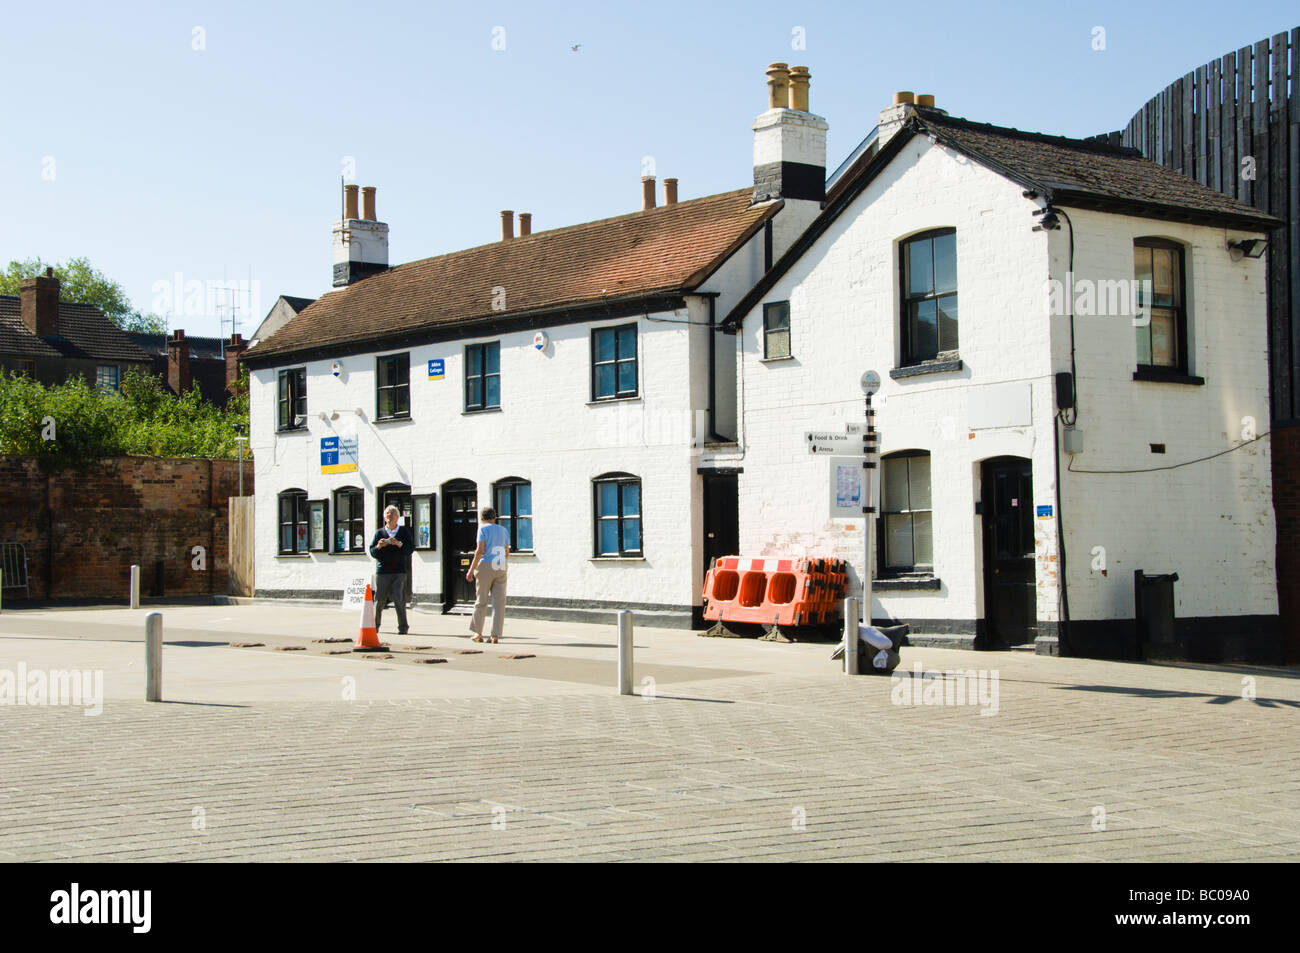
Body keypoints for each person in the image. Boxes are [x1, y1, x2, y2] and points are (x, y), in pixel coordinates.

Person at [466, 506, 510, 643]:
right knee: (499, 602)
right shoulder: (504, 530)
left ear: (482, 518)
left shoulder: (482, 529)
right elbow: (507, 551)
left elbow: (480, 551)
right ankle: (495, 635)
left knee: (481, 599)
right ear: (494, 517)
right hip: (501, 564)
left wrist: (471, 570)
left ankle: (478, 633)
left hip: (486, 564)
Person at [369, 505, 413, 635]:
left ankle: (403, 627)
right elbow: (373, 552)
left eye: (392, 513)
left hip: (399, 571)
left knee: (399, 598)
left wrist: (399, 544)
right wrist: (379, 546)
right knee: (379, 599)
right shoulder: (379, 533)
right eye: (387, 513)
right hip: (383, 571)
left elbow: (410, 549)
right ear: (384, 517)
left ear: (397, 517)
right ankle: (374, 626)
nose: (389, 515)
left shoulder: (403, 532)